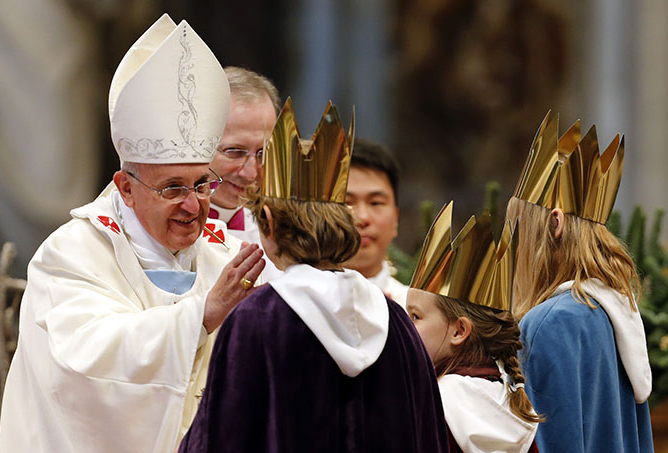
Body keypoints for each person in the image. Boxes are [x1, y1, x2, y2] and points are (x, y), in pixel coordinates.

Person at [0, 14, 265, 453]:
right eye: (172, 188)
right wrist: (201, 315)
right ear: (125, 187)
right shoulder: (73, 255)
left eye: (201, 184)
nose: (193, 204)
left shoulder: (228, 256)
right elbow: (88, 364)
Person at [179, 99, 449, 452]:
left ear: (270, 224)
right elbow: (427, 435)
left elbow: (223, 437)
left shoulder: (260, 318)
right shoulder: (393, 317)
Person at [507, 112, 653, 452]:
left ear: (554, 224)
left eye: (519, 229)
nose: (514, 248)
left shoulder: (549, 323)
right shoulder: (614, 309)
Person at [406, 201, 540, 452]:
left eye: (415, 317)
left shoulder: (432, 403)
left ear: (459, 332)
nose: (406, 325)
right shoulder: (511, 404)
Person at [207, 66, 283, 280]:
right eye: (235, 152)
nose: (250, 173)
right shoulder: (146, 227)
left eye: (263, 153)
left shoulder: (280, 237)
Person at [344, 138, 408, 306]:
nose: (362, 217)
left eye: (376, 203)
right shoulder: (291, 305)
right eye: (346, 203)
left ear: (396, 217)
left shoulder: (415, 312)